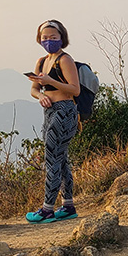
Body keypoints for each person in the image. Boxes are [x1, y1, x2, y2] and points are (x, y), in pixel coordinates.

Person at [24, 20, 81, 223]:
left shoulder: (65, 60)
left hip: (65, 110)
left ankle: (48, 208)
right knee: (61, 158)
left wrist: (50, 82)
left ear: (62, 38)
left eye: (53, 37)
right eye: (45, 37)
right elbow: (33, 89)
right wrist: (40, 96)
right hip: (49, 111)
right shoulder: (41, 61)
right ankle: (67, 205)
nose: (49, 41)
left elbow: (75, 89)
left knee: (52, 158)